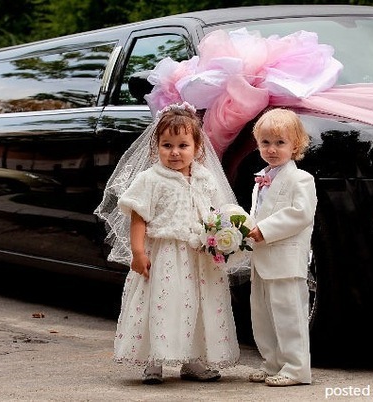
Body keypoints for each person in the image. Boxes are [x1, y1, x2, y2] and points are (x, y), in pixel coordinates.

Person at [94, 102, 240, 385]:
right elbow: (139, 217)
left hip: (198, 256)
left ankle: (193, 359)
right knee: (163, 303)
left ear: (197, 148)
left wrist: (220, 237)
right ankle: (155, 360)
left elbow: (217, 212)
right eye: (167, 145)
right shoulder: (151, 179)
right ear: (156, 147)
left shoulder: (204, 177)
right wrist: (138, 252)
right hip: (164, 255)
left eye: (183, 145)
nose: (175, 152)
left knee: (197, 305)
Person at [246, 108, 317, 387]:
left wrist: (264, 229)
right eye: (265, 143)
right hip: (262, 259)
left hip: (286, 261)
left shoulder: (301, 179)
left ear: (295, 145)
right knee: (263, 315)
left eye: (280, 143)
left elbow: (301, 214)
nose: (272, 149)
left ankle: (296, 367)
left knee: (289, 315)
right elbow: (258, 213)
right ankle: (272, 362)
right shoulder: (261, 180)